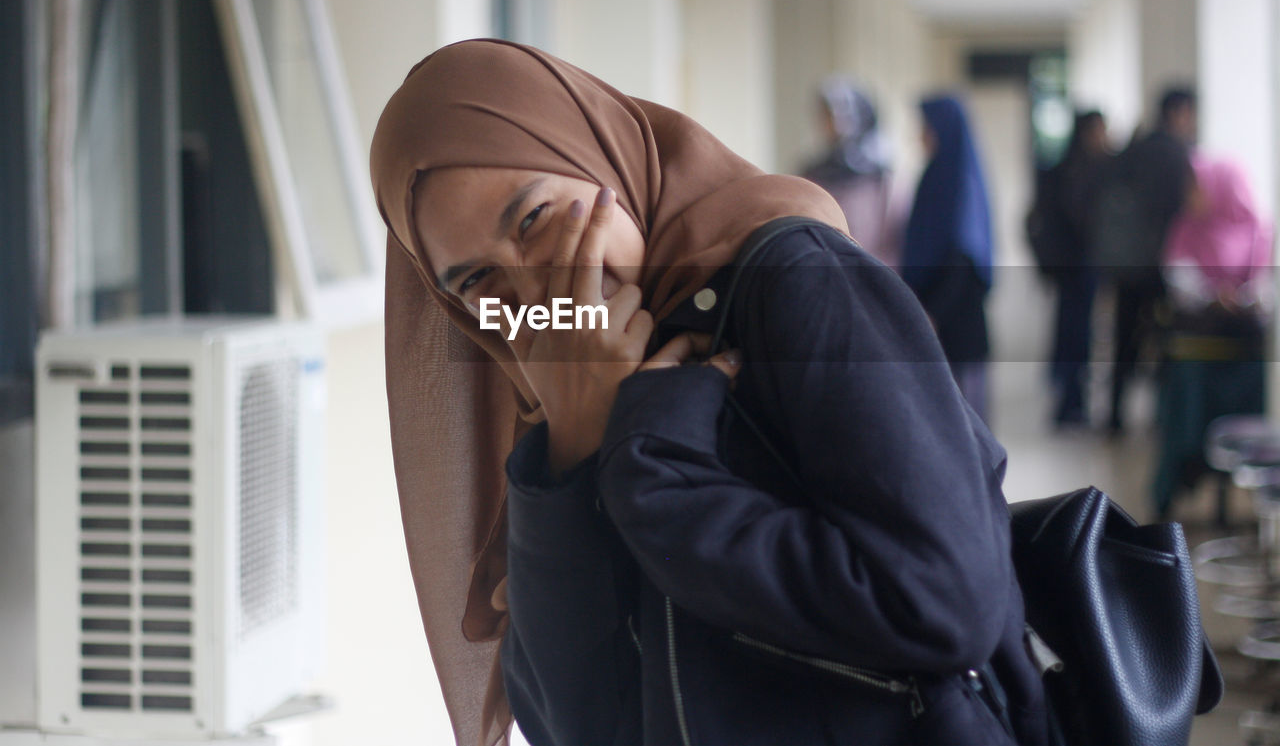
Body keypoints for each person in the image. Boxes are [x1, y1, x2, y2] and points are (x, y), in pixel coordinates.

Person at [369, 39, 1048, 746]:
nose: (533, 286)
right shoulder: (556, 401)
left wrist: (655, 471)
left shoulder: (796, 281)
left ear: (600, 159)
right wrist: (573, 446)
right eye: (478, 281)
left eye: (536, 218)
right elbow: (580, 728)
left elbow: (943, 600)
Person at [1153, 151, 1272, 519]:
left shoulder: (1259, 229)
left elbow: (1267, 289)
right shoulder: (1186, 227)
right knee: (1186, 407)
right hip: (1197, 350)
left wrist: (1246, 299)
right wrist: (1211, 295)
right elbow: (1178, 278)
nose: (1191, 194)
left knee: (1246, 415)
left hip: (1242, 351)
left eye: (1197, 186)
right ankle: (1180, 478)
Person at [1093, 87, 1196, 435]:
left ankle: (1114, 417)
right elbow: (1178, 212)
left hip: (1127, 266)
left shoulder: (1134, 149)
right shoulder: (1175, 153)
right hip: (1159, 266)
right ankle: (1162, 417)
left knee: (1124, 341)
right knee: (1165, 343)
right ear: (1179, 112)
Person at [900, 94, 994, 423]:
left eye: (926, 127)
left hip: (956, 315)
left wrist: (934, 312)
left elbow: (964, 257)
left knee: (965, 417)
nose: (921, 135)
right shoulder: (934, 176)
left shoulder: (960, 182)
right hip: (930, 313)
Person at [1028, 110, 1110, 426]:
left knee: (1070, 333)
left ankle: (1069, 401)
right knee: (1076, 336)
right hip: (1078, 267)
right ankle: (1070, 406)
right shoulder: (1083, 171)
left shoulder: (1068, 167)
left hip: (1070, 268)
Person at [799, 77, 894, 264]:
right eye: (823, 115)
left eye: (832, 114)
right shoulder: (813, 172)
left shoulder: (881, 177)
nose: (826, 123)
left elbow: (890, 241)